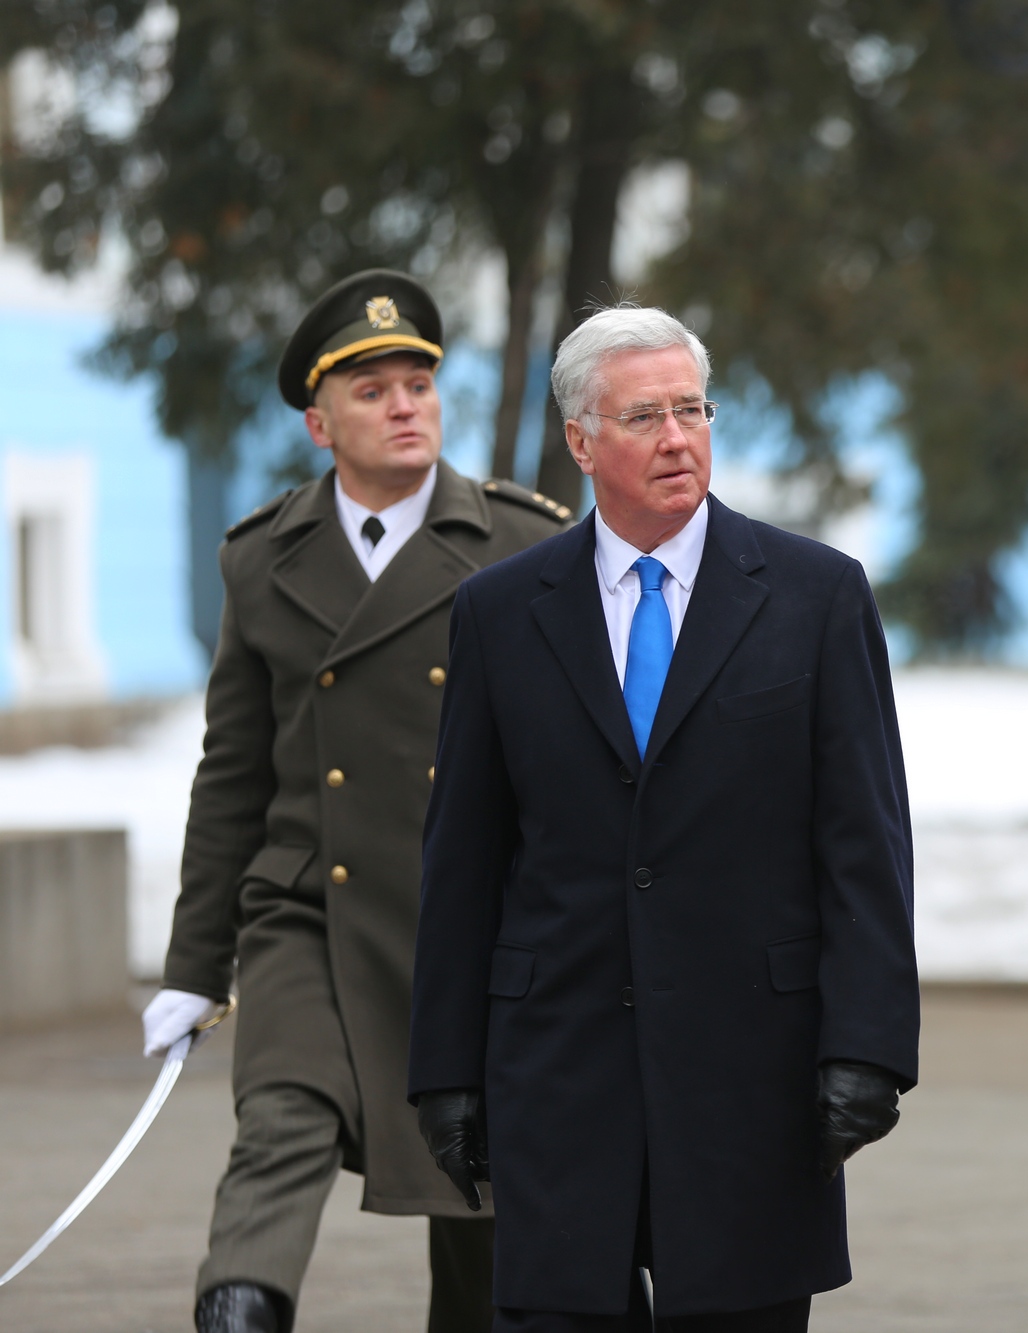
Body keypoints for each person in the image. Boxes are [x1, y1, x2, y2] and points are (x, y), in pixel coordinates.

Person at [407, 304, 919, 1332]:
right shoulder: (501, 612)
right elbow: (463, 857)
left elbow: (864, 845)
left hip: (753, 1080)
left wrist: (867, 1047)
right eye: (644, 416)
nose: (678, 437)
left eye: (692, 409)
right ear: (581, 440)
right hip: (558, 1073)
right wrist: (444, 1070)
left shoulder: (815, 595)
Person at [144, 270, 572, 1333]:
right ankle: (239, 1308)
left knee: (485, 1198)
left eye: (419, 383)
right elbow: (233, 776)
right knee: (279, 1118)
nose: (405, 405)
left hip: (478, 922)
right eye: (373, 389)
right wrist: (197, 967)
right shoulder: (261, 561)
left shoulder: (524, 544)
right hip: (311, 913)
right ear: (318, 421)